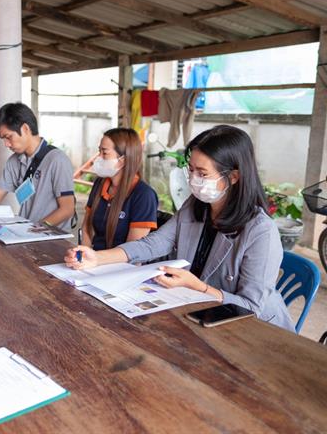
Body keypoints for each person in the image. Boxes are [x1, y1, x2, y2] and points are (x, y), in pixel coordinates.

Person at [65, 125, 294, 331]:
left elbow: (251, 307)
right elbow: (153, 243)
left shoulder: (260, 231)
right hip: (199, 314)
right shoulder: (196, 205)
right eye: (191, 170)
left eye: (202, 174)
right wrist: (97, 258)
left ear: (233, 176)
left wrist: (199, 287)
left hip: (253, 332)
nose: (193, 179)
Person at [82, 128, 158, 250]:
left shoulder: (144, 195)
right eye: (99, 151)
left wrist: (96, 259)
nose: (99, 157)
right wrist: (83, 253)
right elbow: (86, 226)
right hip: (92, 261)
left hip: (122, 265)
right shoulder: (99, 184)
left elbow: (133, 251)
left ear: (123, 159)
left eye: (104, 153)